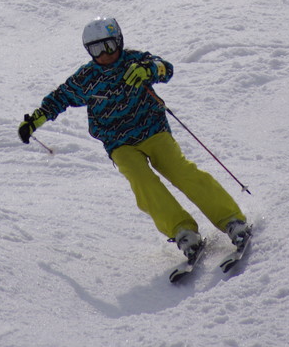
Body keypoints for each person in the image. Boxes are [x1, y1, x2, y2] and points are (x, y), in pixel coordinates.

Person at [18, 17, 250, 268]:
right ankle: (183, 231)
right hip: (119, 143)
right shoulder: (87, 78)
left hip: (152, 130)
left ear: (119, 42)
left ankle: (231, 220)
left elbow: (165, 68)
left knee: (179, 170)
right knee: (142, 180)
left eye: (109, 46)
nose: (105, 54)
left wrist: (149, 70)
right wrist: (34, 121)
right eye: (96, 49)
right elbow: (59, 98)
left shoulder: (133, 60)